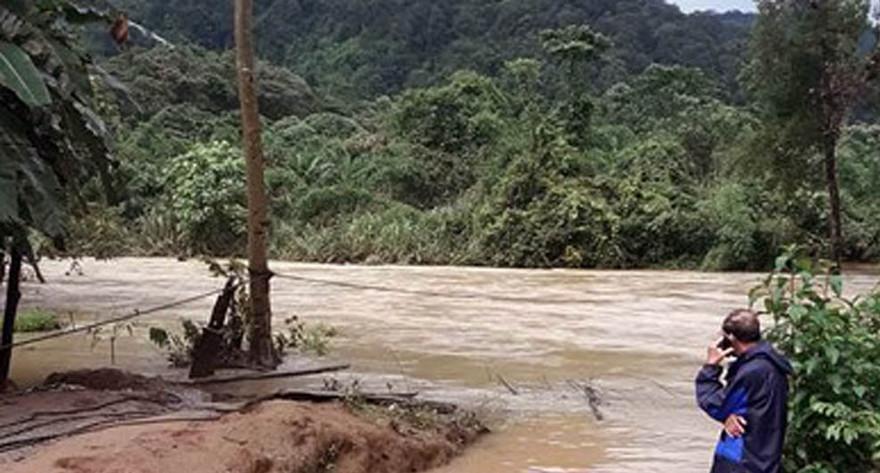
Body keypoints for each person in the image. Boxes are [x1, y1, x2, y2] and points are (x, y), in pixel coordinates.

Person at [695, 309, 793, 473]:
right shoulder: (773, 364)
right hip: (766, 458)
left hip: (741, 460)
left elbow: (716, 404)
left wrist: (710, 367)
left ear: (731, 338)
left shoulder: (752, 371)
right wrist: (728, 416)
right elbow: (747, 406)